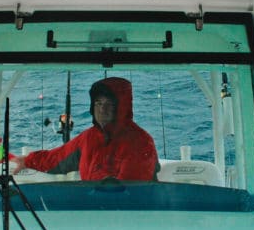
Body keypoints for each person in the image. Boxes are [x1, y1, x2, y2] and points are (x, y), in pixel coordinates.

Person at [12, 77, 157, 181]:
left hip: (132, 218)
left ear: (121, 108)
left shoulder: (141, 142)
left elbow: (130, 193)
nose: (102, 109)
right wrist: (28, 160)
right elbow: (57, 159)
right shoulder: (88, 138)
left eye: (109, 104)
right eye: (98, 103)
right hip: (90, 214)